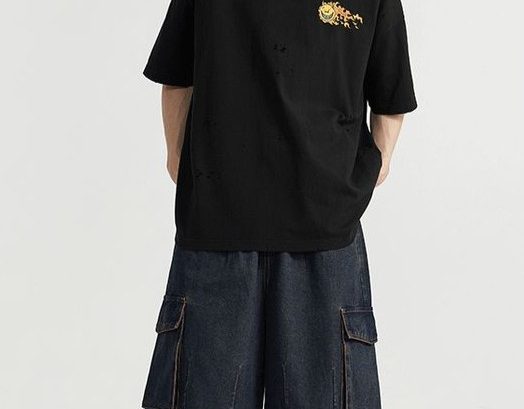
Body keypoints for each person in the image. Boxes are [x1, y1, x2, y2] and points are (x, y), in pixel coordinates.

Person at [141, 0, 417, 407]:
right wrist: (188, 165)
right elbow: (176, 72)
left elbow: (391, 92)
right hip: (220, 233)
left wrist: (361, 175)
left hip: (322, 237)